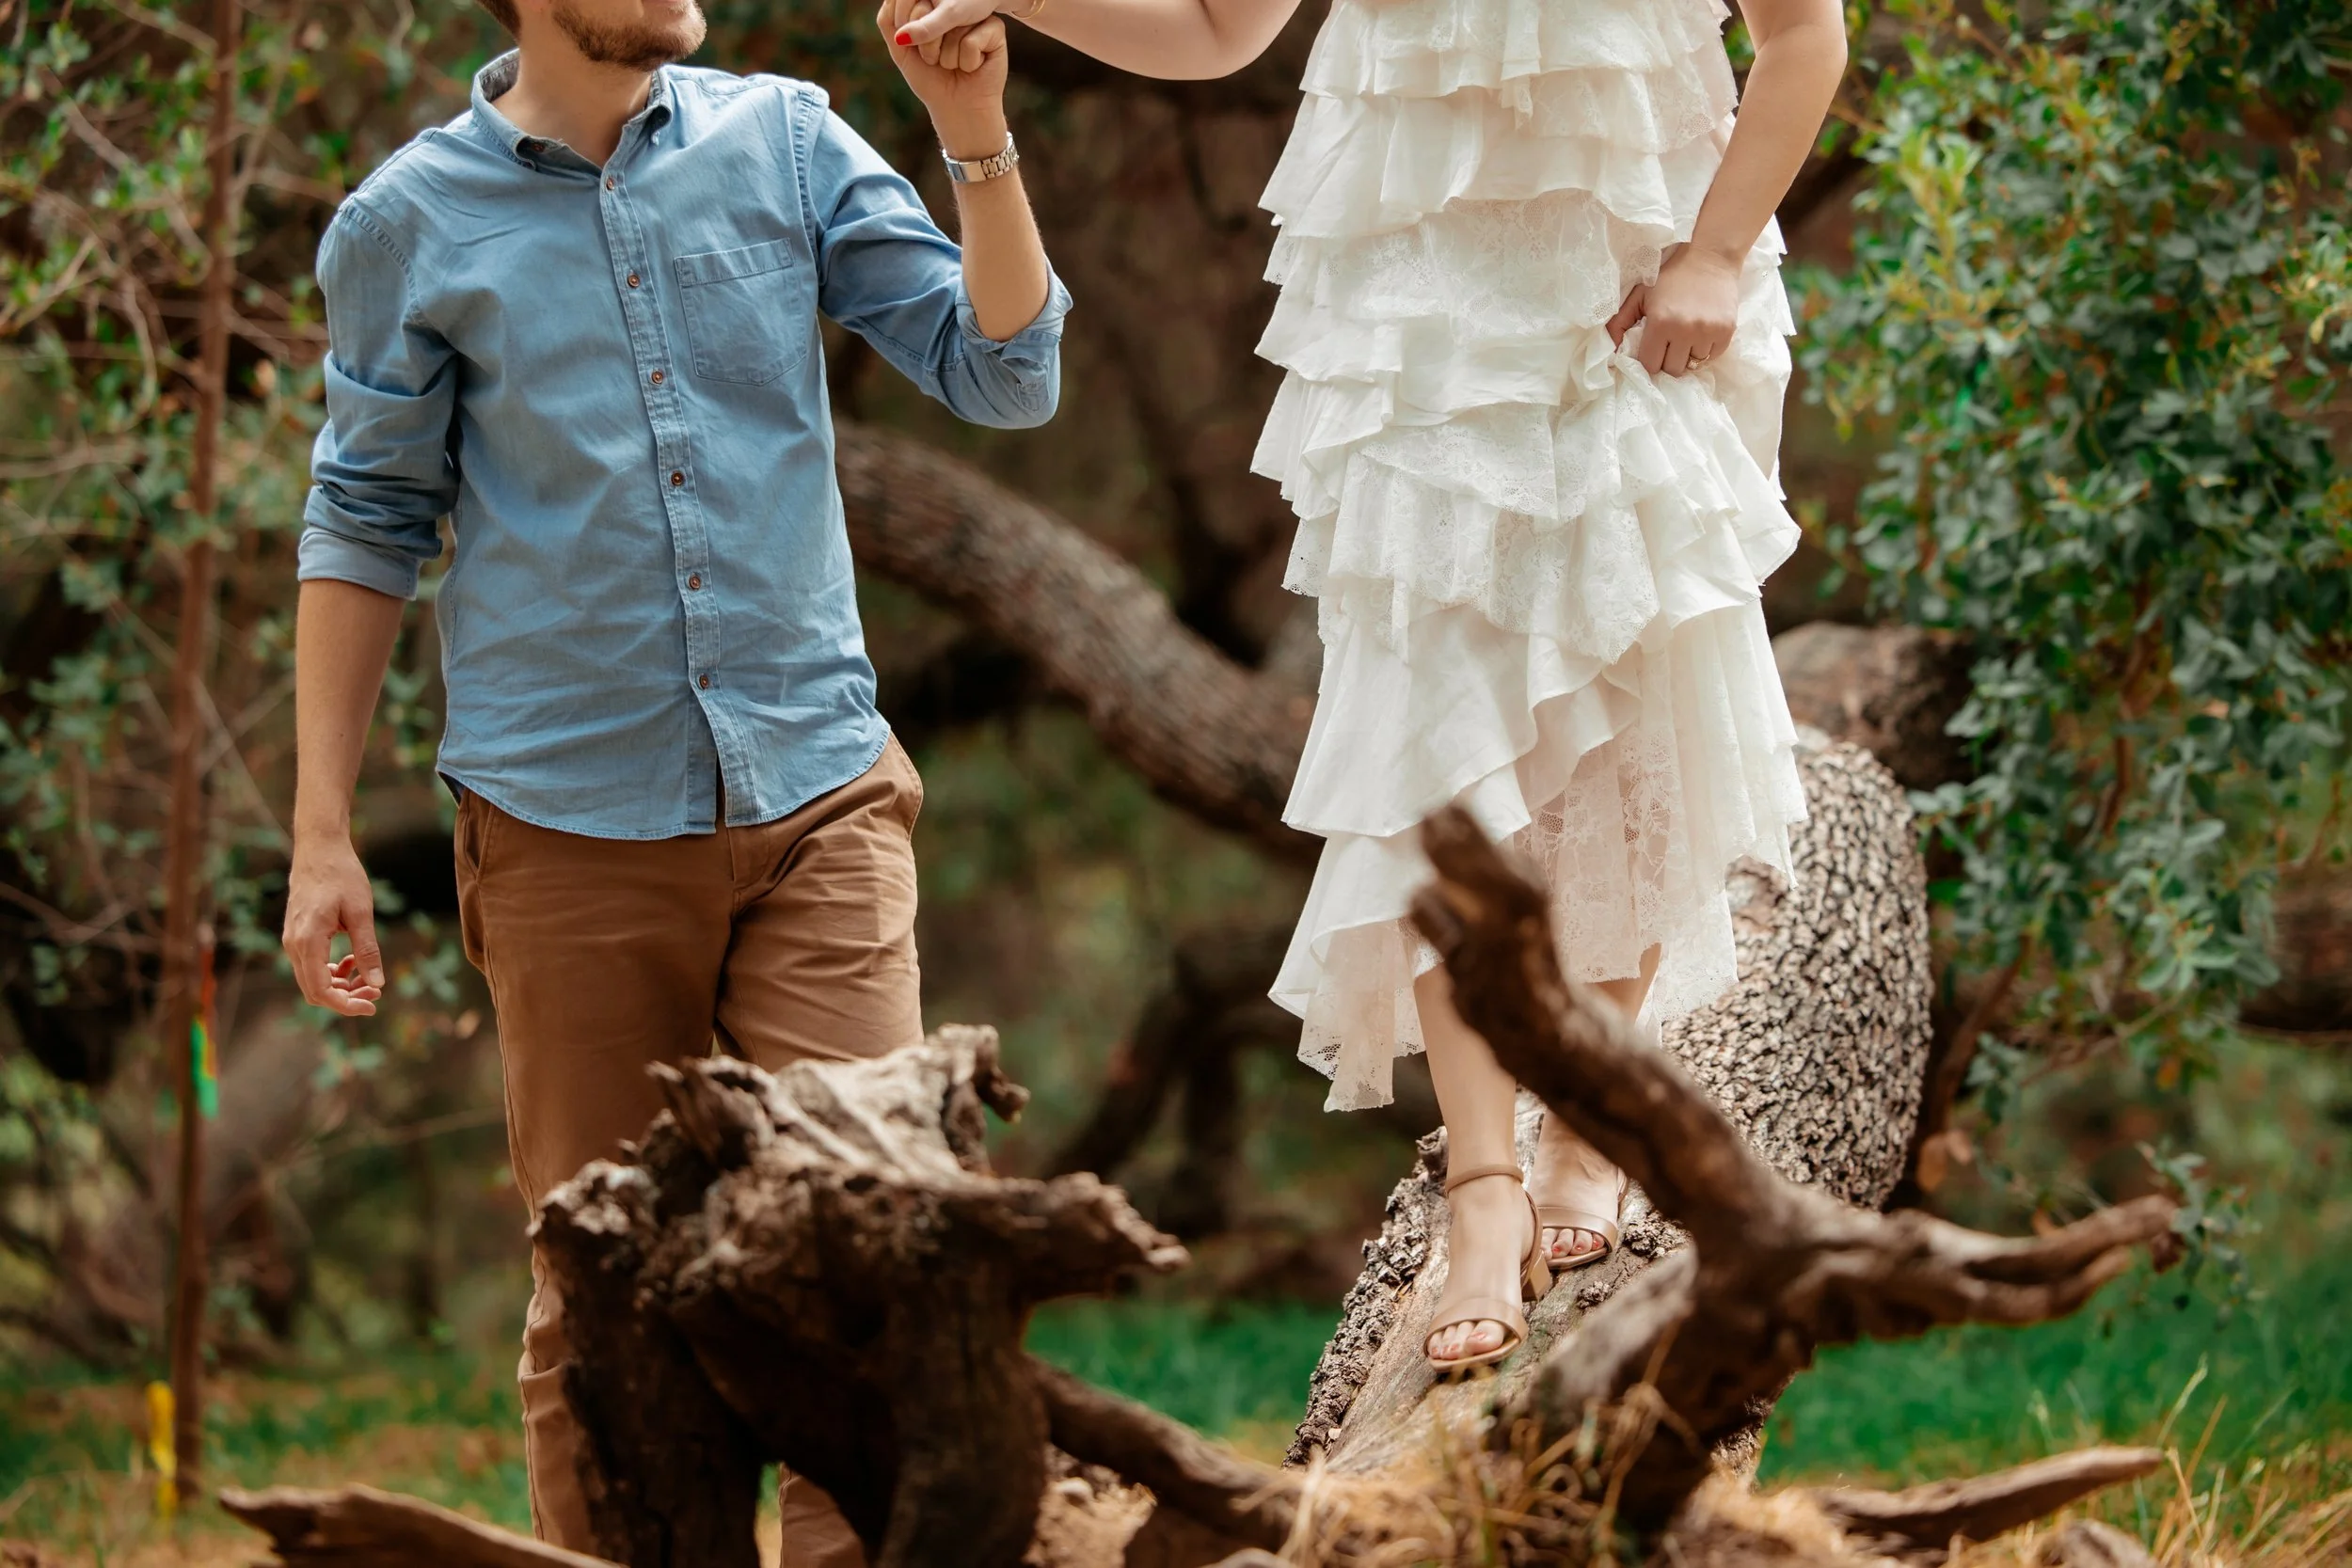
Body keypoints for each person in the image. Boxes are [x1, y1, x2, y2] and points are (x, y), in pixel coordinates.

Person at [894, 0, 1844, 1371]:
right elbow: (1218, 28)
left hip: (1638, 285)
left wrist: (1712, 250)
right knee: (1431, 738)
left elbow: (1806, 37)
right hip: (1415, 323)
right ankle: (1482, 1188)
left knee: (1632, 687)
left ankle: (1587, 1114)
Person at [278, 0, 1065, 1555]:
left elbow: (1006, 376)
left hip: (818, 793)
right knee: (612, 1301)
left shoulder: (781, 137)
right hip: (566, 826)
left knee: (874, 1254)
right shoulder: (405, 223)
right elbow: (363, 520)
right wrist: (320, 835)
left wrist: (977, 140)